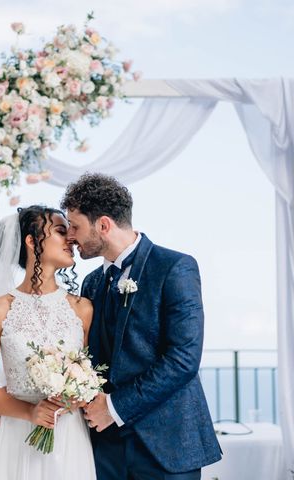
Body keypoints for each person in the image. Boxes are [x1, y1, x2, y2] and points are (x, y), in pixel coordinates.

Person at [60, 173, 222, 479]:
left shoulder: (174, 267)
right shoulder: (91, 283)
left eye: (76, 226)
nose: (70, 236)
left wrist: (115, 407)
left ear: (104, 225)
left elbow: (183, 359)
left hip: (167, 447)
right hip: (103, 447)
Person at [0, 205, 96, 479]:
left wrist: (73, 395)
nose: (71, 239)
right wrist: (29, 412)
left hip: (67, 437)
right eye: (61, 231)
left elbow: (90, 377)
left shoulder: (82, 308)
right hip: (13, 436)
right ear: (31, 241)